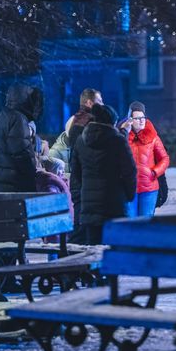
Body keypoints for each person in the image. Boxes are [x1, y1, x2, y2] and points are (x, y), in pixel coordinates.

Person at [70, 104, 137, 244]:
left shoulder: (81, 141)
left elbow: (76, 172)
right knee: (115, 248)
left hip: (89, 208)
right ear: (112, 122)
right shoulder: (118, 141)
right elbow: (129, 172)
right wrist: (129, 195)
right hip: (115, 206)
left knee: (93, 249)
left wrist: (87, 189)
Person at [0, 83, 43, 192]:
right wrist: (32, 174)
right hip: (16, 185)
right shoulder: (19, 119)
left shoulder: (0, 117)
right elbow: (22, 153)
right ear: (26, 101)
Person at [121, 101, 170, 217]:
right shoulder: (122, 136)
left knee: (146, 221)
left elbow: (164, 158)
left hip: (149, 188)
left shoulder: (153, 137)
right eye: (138, 118)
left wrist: (154, 172)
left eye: (143, 117)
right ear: (130, 120)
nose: (142, 120)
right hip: (128, 188)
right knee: (129, 221)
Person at [68, 88, 103, 243]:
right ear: (89, 102)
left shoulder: (77, 119)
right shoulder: (88, 122)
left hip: (81, 181)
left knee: (83, 227)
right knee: (82, 230)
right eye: (99, 101)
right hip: (85, 182)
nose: (102, 104)